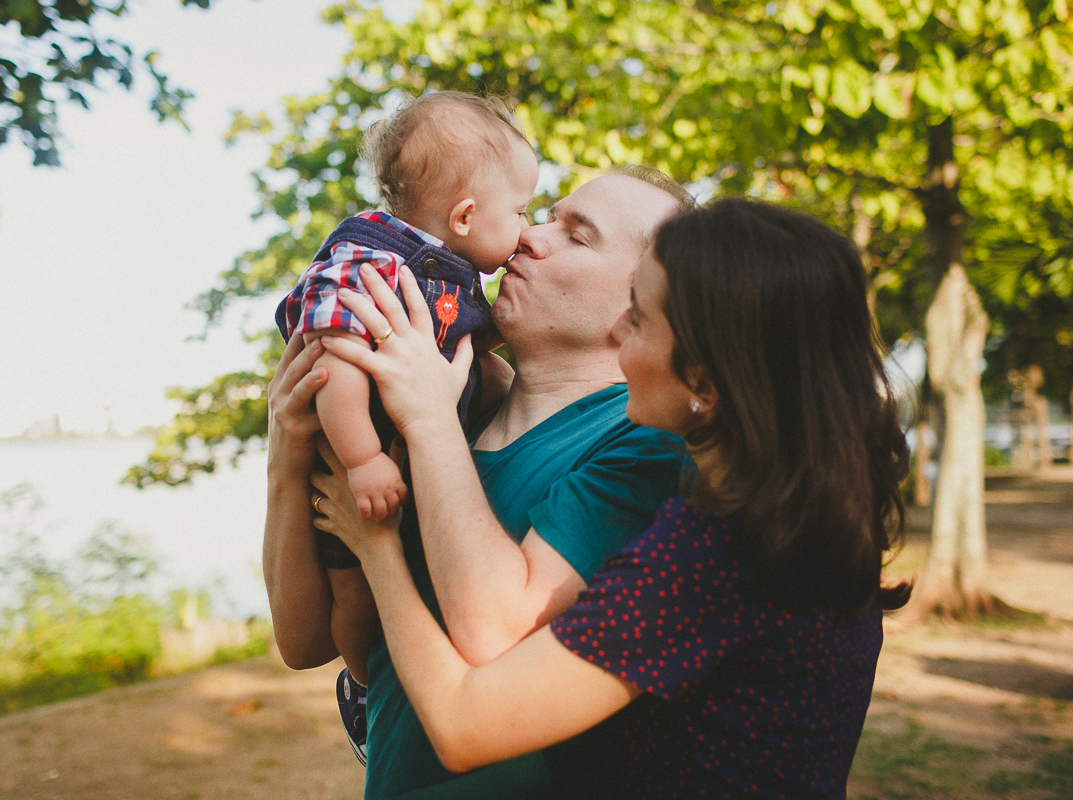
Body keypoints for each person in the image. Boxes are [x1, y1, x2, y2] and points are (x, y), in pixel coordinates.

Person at [314, 196, 912, 798]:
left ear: (705, 381)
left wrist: (378, 546)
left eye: (641, 320)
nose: (620, 332)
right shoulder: (782, 532)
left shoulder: (719, 558)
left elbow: (462, 723)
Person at [264, 167, 695, 797]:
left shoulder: (646, 443)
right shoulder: (444, 410)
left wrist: (425, 421)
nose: (529, 236)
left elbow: (497, 636)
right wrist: (286, 457)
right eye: (547, 216)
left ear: (643, 305)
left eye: (577, 236)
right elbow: (304, 643)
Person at [272, 90, 537, 736]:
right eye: (523, 212)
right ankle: (369, 688)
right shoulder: (373, 267)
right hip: (357, 469)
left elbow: (464, 334)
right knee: (354, 597)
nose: (529, 232)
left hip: (398, 492)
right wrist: (361, 459)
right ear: (465, 216)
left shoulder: (449, 284)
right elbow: (337, 364)